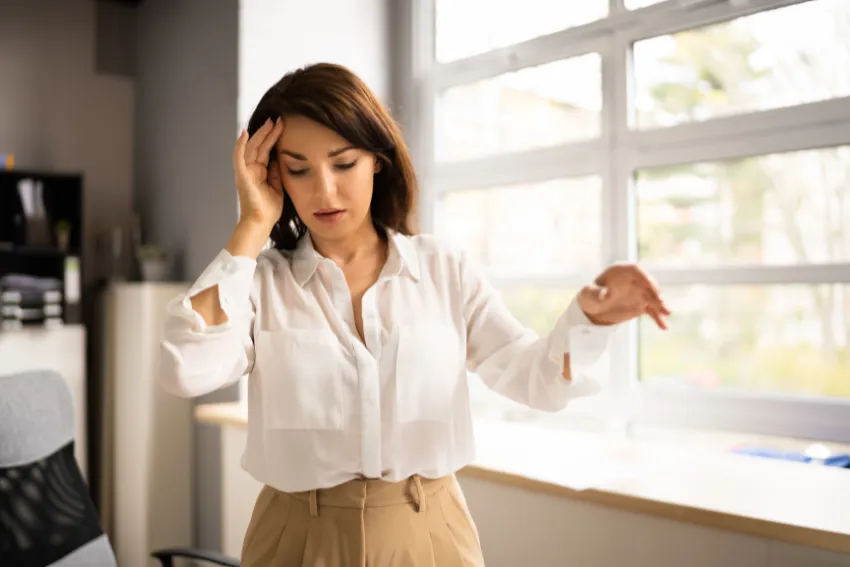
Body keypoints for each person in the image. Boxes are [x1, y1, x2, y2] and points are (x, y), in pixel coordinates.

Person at [158, 62, 670, 567]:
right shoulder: (261, 283)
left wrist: (589, 320)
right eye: (298, 169)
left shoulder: (445, 271)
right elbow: (185, 368)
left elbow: (538, 381)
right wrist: (250, 225)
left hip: (429, 535)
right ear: (274, 174)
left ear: (377, 159)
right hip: (295, 536)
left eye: (343, 163)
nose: (324, 190)